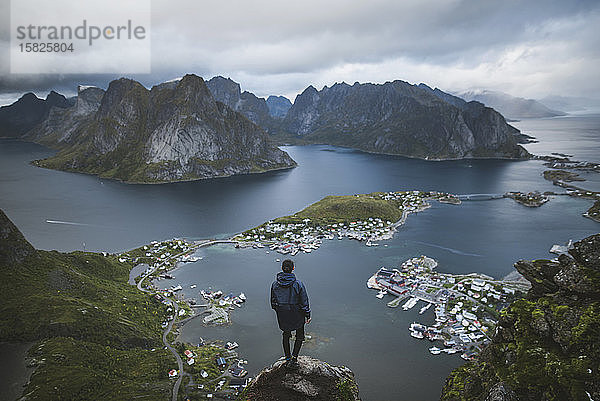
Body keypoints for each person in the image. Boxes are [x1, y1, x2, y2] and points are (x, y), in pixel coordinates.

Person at [270, 259, 311, 367]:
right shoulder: (298, 284)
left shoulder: (275, 284)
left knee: (286, 335)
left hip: (283, 314)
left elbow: (273, 302)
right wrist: (307, 314)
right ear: (293, 268)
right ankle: (294, 358)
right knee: (300, 336)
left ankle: (287, 358)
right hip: (297, 314)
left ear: (282, 268)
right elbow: (304, 301)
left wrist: (280, 310)